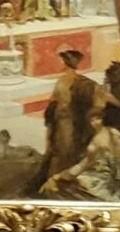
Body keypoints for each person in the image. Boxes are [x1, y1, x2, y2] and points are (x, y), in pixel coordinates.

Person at [41, 108, 120, 208]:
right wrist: (60, 176)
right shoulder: (93, 138)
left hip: (105, 179)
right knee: (61, 185)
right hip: (91, 174)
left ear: (103, 119)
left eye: (97, 119)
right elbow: (85, 163)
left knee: (84, 182)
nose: (95, 122)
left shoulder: (112, 133)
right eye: (92, 120)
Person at [41, 45, 108, 184]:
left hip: (68, 124)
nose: (59, 62)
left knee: (66, 153)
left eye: (61, 60)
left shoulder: (70, 82)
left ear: (65, 62)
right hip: (65, 124)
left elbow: (53, 104)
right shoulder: (72, 82)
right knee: (64, 154)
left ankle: (61, 182)